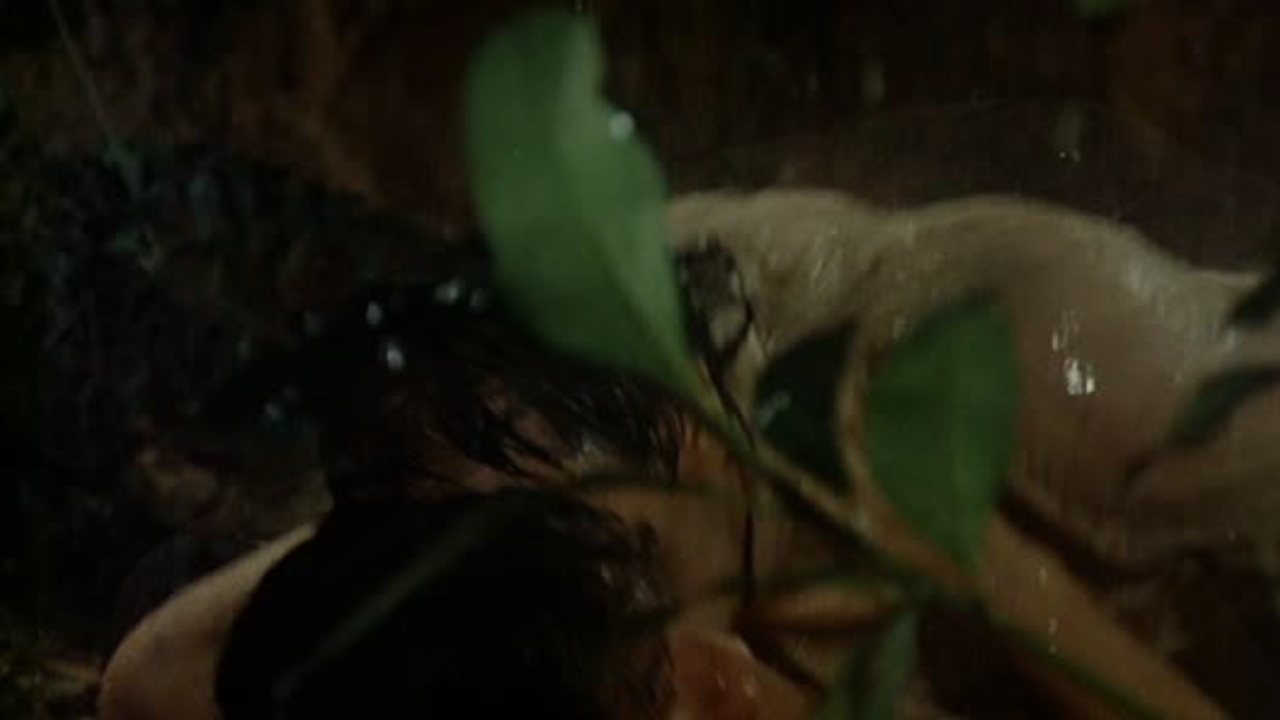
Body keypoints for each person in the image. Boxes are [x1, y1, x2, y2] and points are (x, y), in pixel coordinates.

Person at [101, 187, 1269, 719]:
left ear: (703, 455)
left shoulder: (1073, 373)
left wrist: (1001, 580)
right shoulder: (505, 502)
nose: (724, 678)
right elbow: (154, 677)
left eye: (620, 572)